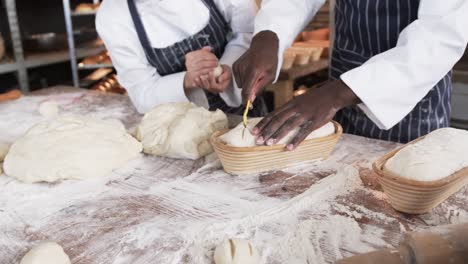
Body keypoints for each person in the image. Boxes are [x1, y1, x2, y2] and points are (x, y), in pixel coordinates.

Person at [233, 0, 468, 150]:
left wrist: (337, 94)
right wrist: (269, 34)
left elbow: (439, 38)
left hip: (411, 99)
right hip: (340, 83)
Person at [96, 0, 266, 116]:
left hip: (246, 116)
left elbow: (250, 33)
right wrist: (188, 80)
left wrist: (228, 68)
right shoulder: (113, 15)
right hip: (179, 130)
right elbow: (141, 94)